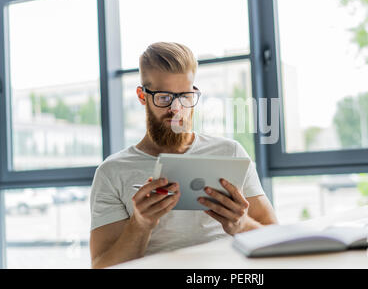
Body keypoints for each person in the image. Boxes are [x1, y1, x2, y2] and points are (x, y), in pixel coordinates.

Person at [89, 42, 278, 268]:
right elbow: (101, 265)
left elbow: (274, 239)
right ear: (142, 96)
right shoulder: (112, 172)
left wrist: (241, 224)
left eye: (185, 96)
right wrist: (140, 224)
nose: (176, 108)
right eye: (164, 97)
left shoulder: (230, 152)